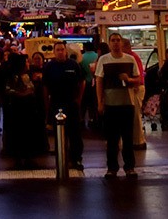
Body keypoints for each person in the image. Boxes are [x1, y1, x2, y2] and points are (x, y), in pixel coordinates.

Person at [94, 33, 141, 178]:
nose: (115, 43)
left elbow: (138, 78)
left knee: (128, 137)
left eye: (118, 40)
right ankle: (112, 167)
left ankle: (129, 167)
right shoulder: (103, 60)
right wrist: (100, 101)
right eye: (113, 40)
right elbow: (99, 81)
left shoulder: (130, 59)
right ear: (109, 43)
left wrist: (129, 80)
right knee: (112, 138)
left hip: (127, 102)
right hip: (110, 103)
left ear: (122, 43)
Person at [44, 42, 85, 169]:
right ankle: (62, 158)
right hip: (56, 103)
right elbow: (45, 86)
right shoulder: (49, 67)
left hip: (71, 103)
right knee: (59, 133)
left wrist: (79, 99)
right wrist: (47, 104)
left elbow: (82, 81)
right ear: (54, 52)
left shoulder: (73, 65)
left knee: (75, 133)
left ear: (66, 51)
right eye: (58, 50)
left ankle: (76, 158)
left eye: (62, 49)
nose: (60, 52)